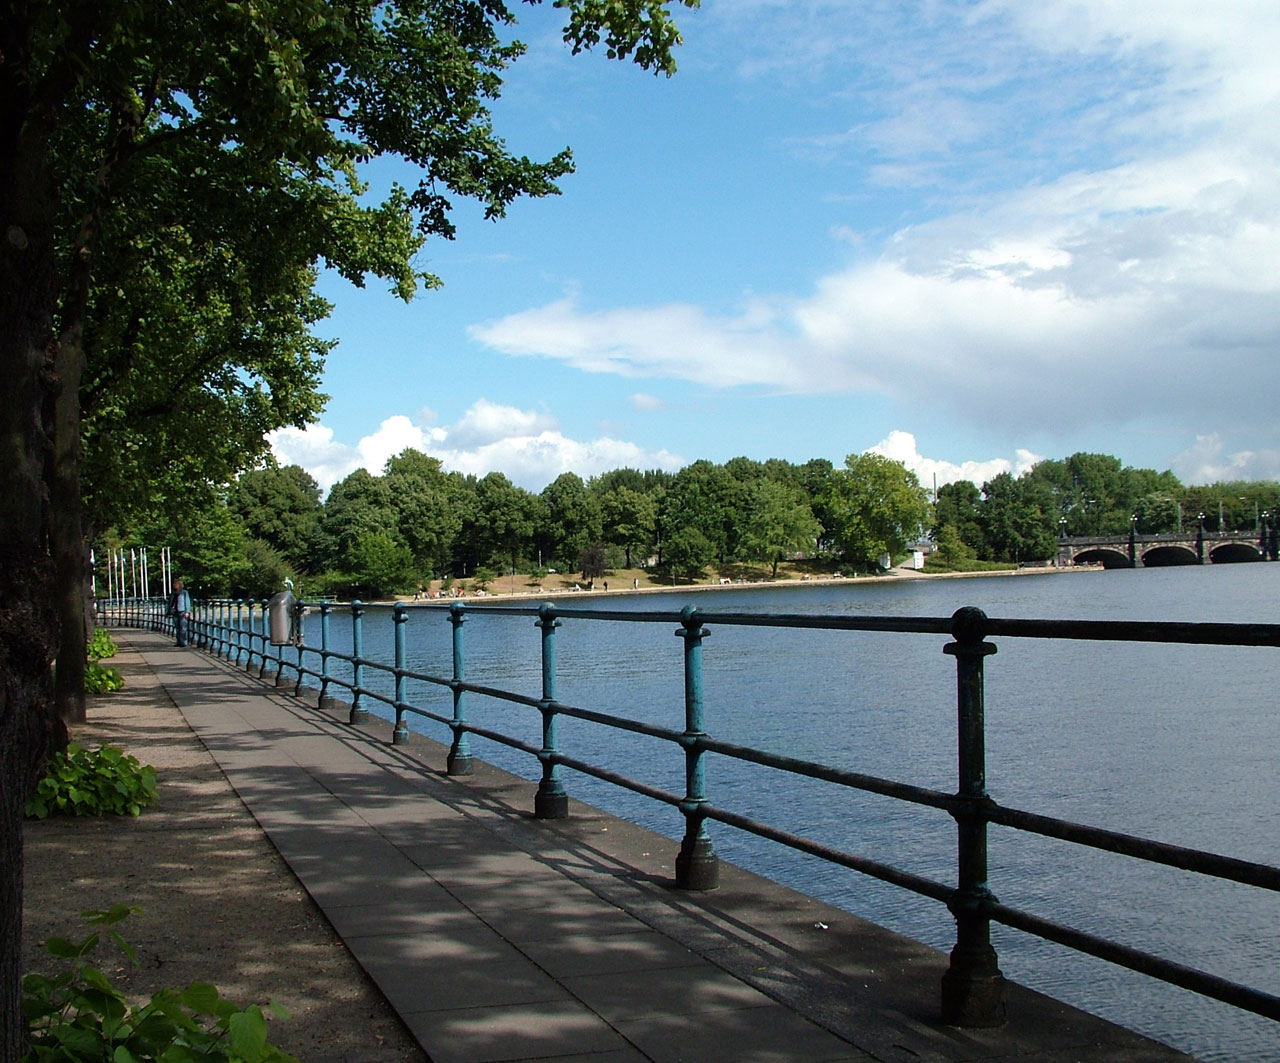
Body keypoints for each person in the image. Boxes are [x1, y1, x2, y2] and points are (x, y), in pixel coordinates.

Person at [167, 578, 192, 646]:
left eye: (176, 584)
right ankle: (179, 641)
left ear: (179, 585)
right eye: (174, 584)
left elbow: (187, 602)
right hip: (175, 611)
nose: (174, 585)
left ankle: (184, 642)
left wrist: (187, 611)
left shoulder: (184, 592)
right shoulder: (173, 593)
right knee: (177, 627)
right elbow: (170, 603)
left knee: (183, 627)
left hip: (182, 611)